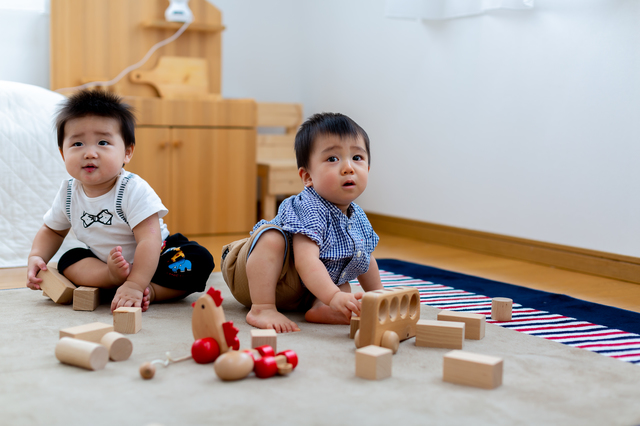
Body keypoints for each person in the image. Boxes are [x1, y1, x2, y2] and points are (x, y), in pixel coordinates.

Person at [26, 90, 214, 312]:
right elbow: (53, 231)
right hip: (104, 262)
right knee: (69, 259)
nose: (89, 153)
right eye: (77, 144)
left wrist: (136, 284)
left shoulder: (132, 189)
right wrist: (37, 256)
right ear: (62, 153)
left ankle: (151, 291)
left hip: (156, 258)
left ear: (127, 152)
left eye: (102, 142)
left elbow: (149, 241)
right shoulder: (68, 192)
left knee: (198, 259)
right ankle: (110, 277)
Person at [221, 112, 383, 333]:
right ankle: (262, 308)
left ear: (368, 169)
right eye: (333, 159)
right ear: (307, 177)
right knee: (272, 238)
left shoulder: (358, 218)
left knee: (345, 285)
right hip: (258, 275)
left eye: (357, 158)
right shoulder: (309, 206)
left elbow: (366, 261)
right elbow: (306, 262)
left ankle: (321, 307)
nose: (348, 168)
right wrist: (334, 295)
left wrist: (379, 298)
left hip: (301, 289)